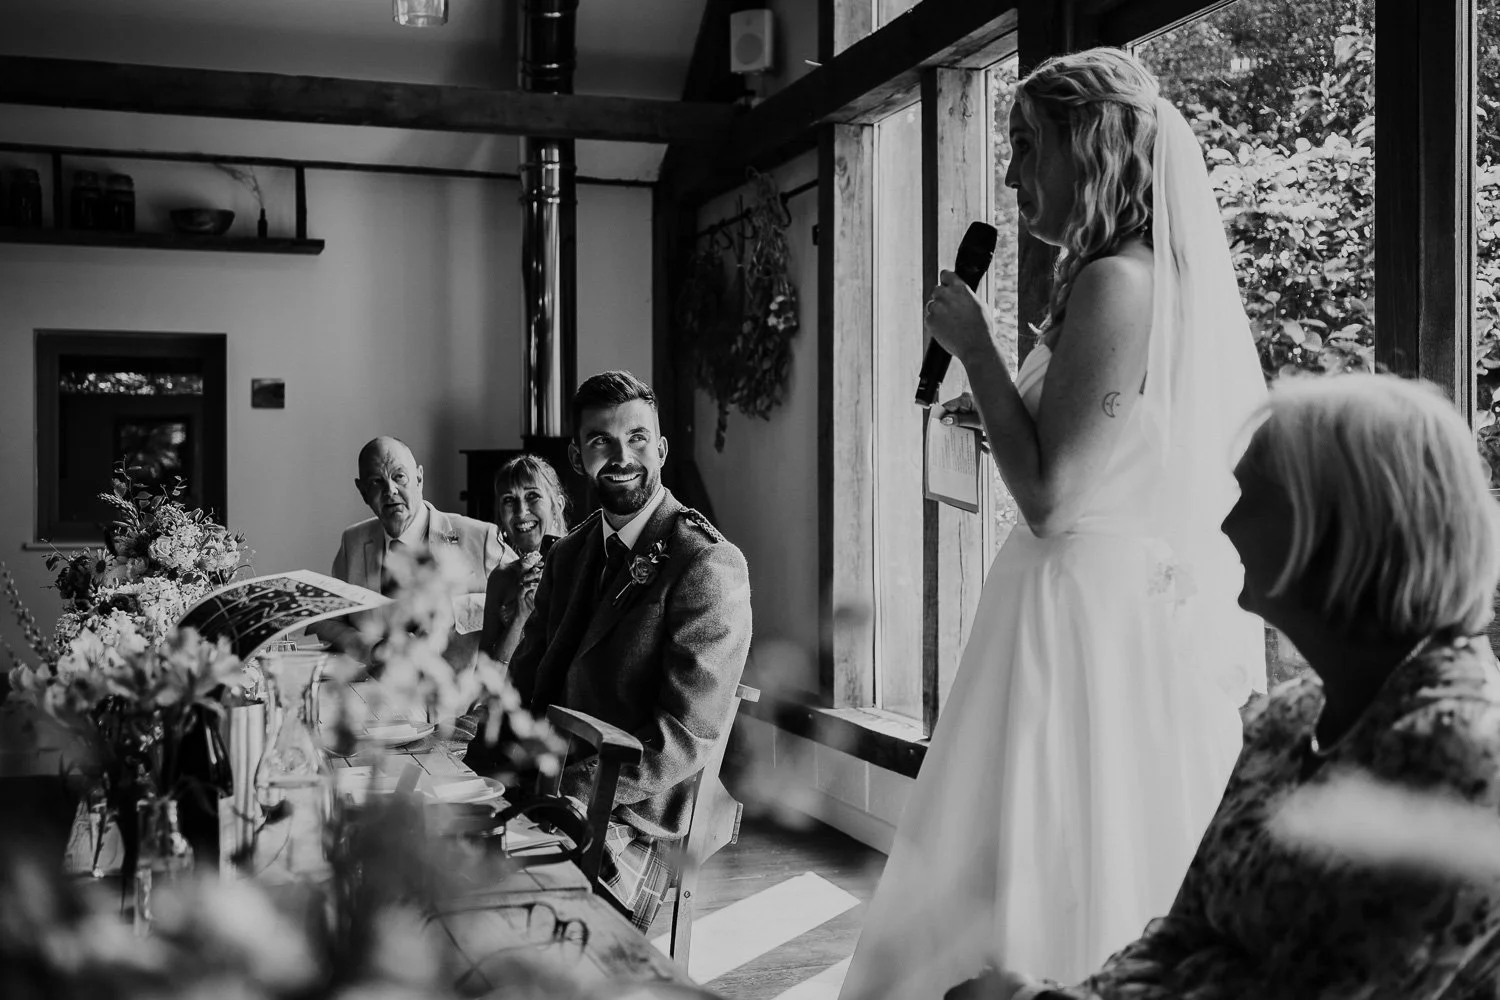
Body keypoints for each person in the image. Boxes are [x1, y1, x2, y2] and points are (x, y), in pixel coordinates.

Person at [839, 49, 1269, 998]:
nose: (1010, 175)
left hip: (1081, 620)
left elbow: (1054, 499)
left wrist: (978, 349)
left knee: (1066, 850)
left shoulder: (1122, 282)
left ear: (1092, 146)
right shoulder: (1114, 274)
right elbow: (1086, 458)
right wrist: (991, 409)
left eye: (1028, 146)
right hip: (1072, 597)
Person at [951, 373, 1500, 1000]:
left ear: (1336, 527)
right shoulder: (1292, 719)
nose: (1227, 522)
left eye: (1252, 494)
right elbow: (1180, 934)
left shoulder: (1460, 753)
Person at [465, 370, 753, 932]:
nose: (622, 456)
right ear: (577, 456)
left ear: (662, 448)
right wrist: (479, 774)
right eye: (601, 440)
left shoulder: (706, 564)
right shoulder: (569, 554)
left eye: (638, 438)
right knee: (438, 859)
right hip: (547, 778)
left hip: (636, 810)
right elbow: (524, 682)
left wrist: (567, 798)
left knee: (511, 908)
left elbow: (684, 737)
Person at [309, 436, 514, 672]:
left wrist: (455, 610)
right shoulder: (353, 541)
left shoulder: (481, 536)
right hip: (376, 695)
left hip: (458, 698)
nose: (390, 490)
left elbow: (528, 603)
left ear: (419, 478)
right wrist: (374, 649)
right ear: (363, 492)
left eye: (399, 476)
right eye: (376, 482)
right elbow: (328, 621)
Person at [478, 454, 571, 666]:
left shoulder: (583, 563)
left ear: (557, 505)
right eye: (509, 500)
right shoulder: (501, 578)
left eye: (532, 496)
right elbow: (485, 679)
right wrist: (519, 618)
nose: (520, 511)